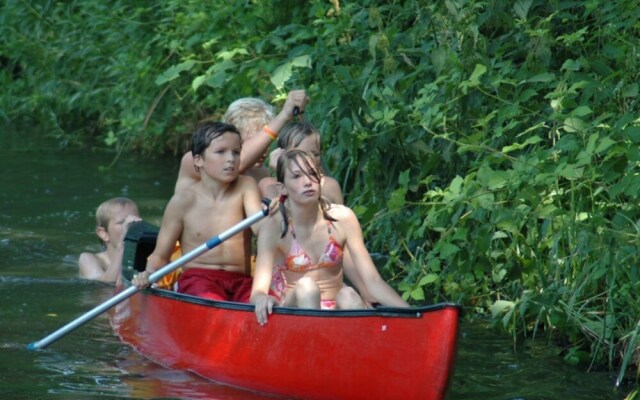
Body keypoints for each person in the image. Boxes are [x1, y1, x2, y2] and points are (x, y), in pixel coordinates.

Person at [250, 149, 409, 325]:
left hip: (336, 311)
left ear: (321, 180)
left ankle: (357, 349)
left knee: (349, 294)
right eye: (296, 177)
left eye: (311, 174)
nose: (307, 182)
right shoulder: (273, 227)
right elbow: (258, 292)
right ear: (282, 188)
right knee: (306, 287)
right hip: (294, 314)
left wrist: (414, 316)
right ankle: (314, 347)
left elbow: (373, 281)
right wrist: (262, 299)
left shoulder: (343, 218)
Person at [132, 122, 268, 302]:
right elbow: (160, 255)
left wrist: (270, 217)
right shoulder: (182, 201)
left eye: (236, 152)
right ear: (198, 160)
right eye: (221, 152)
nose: (231, 159)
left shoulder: (245, 186)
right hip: (198, 279)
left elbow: (260, 228)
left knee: (268, 302)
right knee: (212, 299)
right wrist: (148, 275)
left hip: (241, 280)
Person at [259, 121, 376, 306]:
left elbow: (340, 250)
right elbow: (274, 213)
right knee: (307, 288)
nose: (308, 160)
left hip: (327, 283)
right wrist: (281, 170)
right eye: (299, 154)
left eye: (314, 154)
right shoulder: (269, 185)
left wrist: (365, 290)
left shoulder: (329, 186)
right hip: (289, 286)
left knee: (348, 295)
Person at [174, 90, 308, 193]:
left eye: (267, 142)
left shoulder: (261, 173)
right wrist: (284, 115)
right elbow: (239, 164)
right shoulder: (195, 161)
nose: (264, 149)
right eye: (256, 141)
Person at [78, 197, 141, 283]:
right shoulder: (88, 259)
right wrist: (123, 242)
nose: (131, 226)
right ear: (103, 233)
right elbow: (103, 287)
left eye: (135, 221)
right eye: (122, 222)